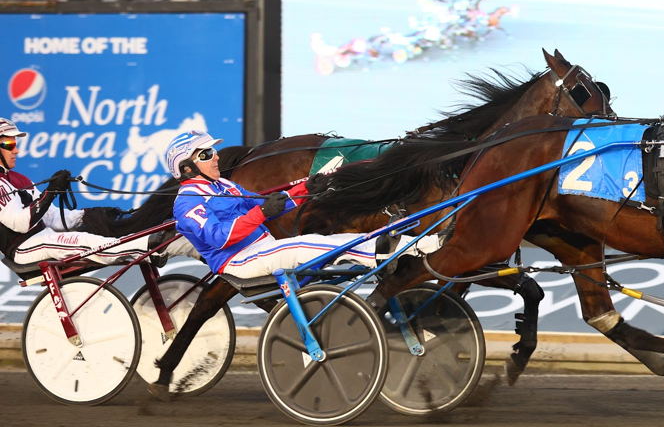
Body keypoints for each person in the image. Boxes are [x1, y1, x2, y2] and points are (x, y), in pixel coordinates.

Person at [165, 129, 437, 281]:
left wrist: (306, 189)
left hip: (263, 246)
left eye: (212, 151)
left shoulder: (226, 186)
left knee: (344, 238)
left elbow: (270, 204)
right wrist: (261, 213)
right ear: (187, 168)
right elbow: (219, 237)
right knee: (307, 244)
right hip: (238, 260)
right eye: (206, 154)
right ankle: (390, 254)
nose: (215, 158)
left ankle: (422, 244)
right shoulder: (187, 203)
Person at [0, 117, 164, 267]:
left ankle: (144, 251)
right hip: (22, 248)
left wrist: (85, 216)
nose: (16, 151)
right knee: (81, 241)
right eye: (9, 145)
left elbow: (52, 218)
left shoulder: (20, 179)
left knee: (87, 234)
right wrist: (50, 193)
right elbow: (20, 224)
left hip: (42, 236)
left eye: (16, 144)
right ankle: (144, 247)